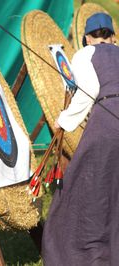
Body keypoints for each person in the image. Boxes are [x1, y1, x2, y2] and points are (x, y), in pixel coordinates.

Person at [42, 13, 119, 265]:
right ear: (112, 36)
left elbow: (88, 93)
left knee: (85, 187)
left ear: (87, 38)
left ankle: (82, 255)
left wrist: (64, 120)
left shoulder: (85, 54)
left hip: (107, 124)